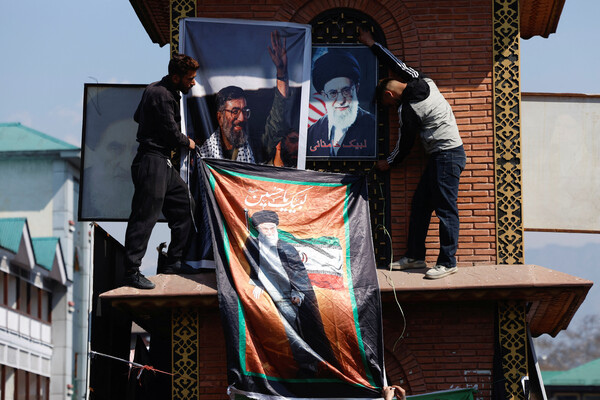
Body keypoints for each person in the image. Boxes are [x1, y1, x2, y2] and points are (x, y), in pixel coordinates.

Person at [358, 27, 466, 280]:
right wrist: (372, 43)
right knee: (420, 206)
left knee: (446, 210)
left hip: (447, 156)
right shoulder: (421, 79)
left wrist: (388, 162)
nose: (388, 108)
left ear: (389, 95)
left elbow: (404, 145)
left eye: (386, 104)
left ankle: (447, 262)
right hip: (440, 158)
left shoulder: (409, 110)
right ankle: (416, 256)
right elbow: (395, 63)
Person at [122, 54, 199, 289]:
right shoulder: (162, 94)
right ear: (176, 77)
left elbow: (138, 116)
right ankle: (131, 271)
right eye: (189, 78)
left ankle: (173, 262)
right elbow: (171, 134)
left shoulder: (157, 90)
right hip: (151, 161)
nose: (193, 82)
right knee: (145, 217)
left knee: (185, 206)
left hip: (161, 161)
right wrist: (188, 143)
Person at [245, 210, 338, 377]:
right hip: (271, 297)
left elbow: (298, 273)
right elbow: (255, 267)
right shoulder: (255, 246)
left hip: (290, 298)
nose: (269, 232)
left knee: (300, 333)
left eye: (272, 228)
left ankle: (311, 367)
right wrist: (258, 284)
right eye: (265, 229)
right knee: (283, 334)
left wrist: (297, 292)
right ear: (258, 230)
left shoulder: (286, 248)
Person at [307, 49, 376, 157]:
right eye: (333, 93)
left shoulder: (374, 127)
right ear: (324, 95)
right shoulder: (313, 132)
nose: (341, 100)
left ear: (356, 88)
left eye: (346, 90)